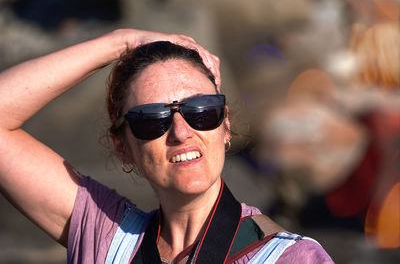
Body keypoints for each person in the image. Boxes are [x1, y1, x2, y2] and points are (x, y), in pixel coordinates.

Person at [0, 29, 333, 263]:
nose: (181, 131)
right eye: (152, 120)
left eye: (202, 112)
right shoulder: (106, 236)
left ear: (225, 125)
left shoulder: (291, 258)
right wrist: (121, 42)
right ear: (123, 147)